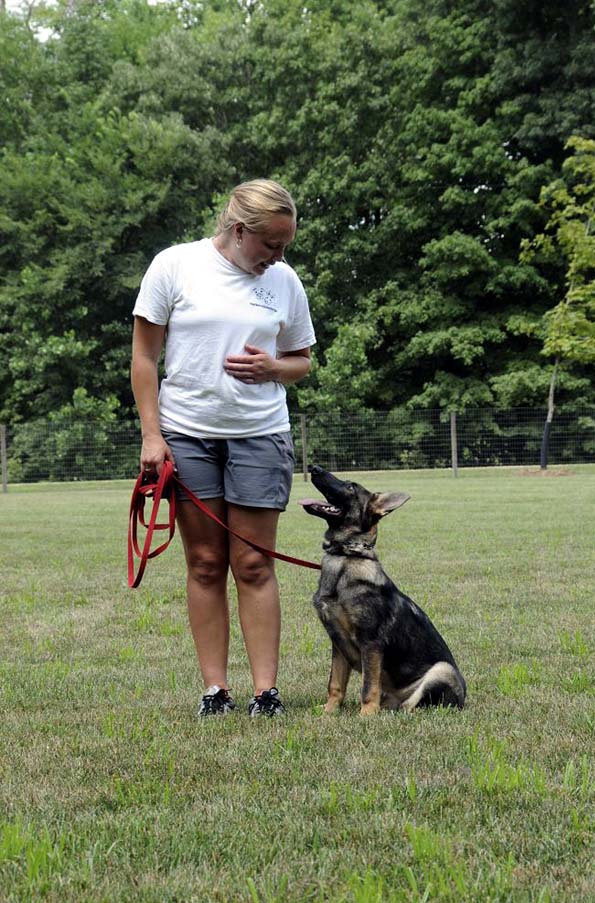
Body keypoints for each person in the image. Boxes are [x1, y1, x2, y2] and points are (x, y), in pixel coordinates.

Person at [131, 179, 316, 718]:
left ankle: (267, 693)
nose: (278, 257)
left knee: (254, 562)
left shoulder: (284, 281)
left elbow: (301, 360)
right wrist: (152, 434)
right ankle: (215, 692)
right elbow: (144, 359)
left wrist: (273, 368)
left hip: (260, 434)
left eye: (285, 246)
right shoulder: (174, 266)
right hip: (187, 435)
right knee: (207, 562)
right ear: (239, 231)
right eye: (271, 245)